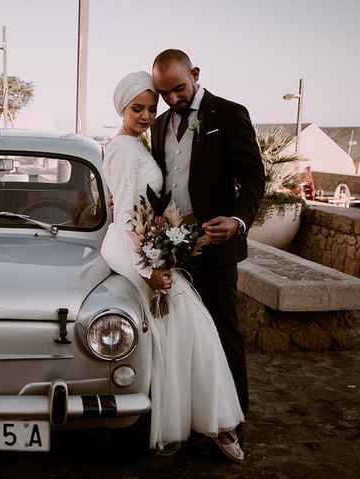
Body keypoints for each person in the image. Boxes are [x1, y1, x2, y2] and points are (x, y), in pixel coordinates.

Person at [100, 70, 246, 461]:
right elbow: (130, 212)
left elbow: (148, 204)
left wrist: (163, 235)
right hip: (134, 246)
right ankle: (207, 423)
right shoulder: (121, 149)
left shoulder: (139, 142)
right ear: (122, 108)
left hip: (148, 241)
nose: (147, 115)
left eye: (151, 107)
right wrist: (150, 265)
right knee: (186, 324)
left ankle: (206, 421)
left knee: (181, 330)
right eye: (137, 109)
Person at [150, 49, 265, 445]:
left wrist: (237, 221)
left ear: (195, 74)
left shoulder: (230, 114)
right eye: (164, 93)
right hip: (171, 249)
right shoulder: (160, 123)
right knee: (182, 338)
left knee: (223, 333)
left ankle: (233, 424)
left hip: (216, 250)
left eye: (179, 89)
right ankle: (191, 421)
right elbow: (162, 183)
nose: (172, 100)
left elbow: (253, 178)